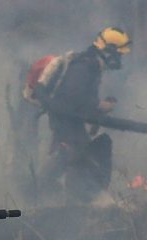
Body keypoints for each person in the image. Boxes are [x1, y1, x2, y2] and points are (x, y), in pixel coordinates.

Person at [41, 27, 131, 199]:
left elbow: (81, 101)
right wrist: (99, 105)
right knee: (75, 155)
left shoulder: (92, 67)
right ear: (109, 51)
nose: (119, 59)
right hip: (65, 120)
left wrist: (97, 112)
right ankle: (41, 190)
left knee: (77, 155)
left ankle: (51, 192)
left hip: (69, 121)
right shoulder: (84, 66)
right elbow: (72, 96)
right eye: (118, 54)